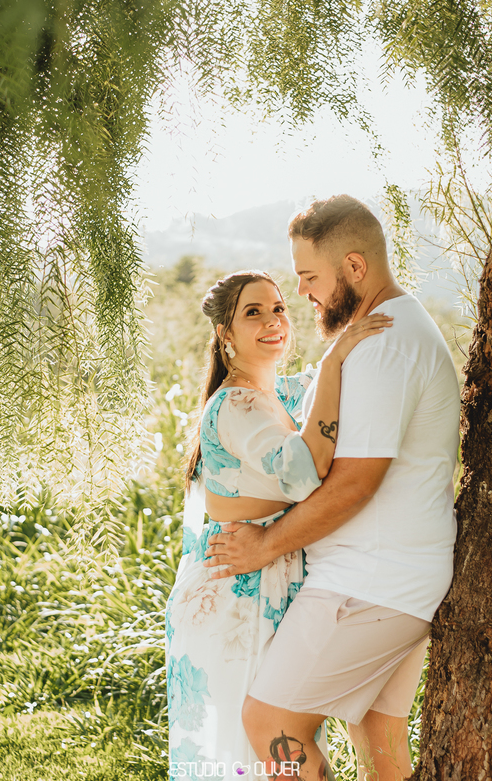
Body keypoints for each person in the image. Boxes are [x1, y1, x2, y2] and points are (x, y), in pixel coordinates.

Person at [205, 195, 461, 781]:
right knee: (378, 736)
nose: (302, 293)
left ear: (354, 266)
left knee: (271, 724)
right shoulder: (390, 331)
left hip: (368, 583)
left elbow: (353, 486)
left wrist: (265, 546)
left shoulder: (385, 344)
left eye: (310, 277)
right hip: (395, 578)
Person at [166, 269, 391, 781]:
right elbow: (302, 470)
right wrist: (334, 360)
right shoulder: (236, 404)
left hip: (271, 578)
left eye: (279, 308)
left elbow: (326, 389)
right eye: (254, 313)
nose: (273, 321)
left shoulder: (276, 394)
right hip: (239, 595)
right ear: (225, 334)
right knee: (263, 745)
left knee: (280, 740)